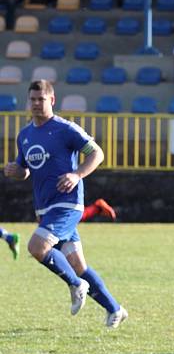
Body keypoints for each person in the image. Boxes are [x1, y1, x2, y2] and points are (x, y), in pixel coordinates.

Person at [3, 80, 127, 328]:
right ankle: (115, 309)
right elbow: (26, 170)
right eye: (33, 100)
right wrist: (15, 170)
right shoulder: (25, 135)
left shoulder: (64, 129)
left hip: (67, 204)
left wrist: (77, 174)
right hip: (44, 207)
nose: (36, 104)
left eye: (41, 99)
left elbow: (97, 153)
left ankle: (75, 284)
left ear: (52, 100)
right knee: (78, 265)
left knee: (37, 247)